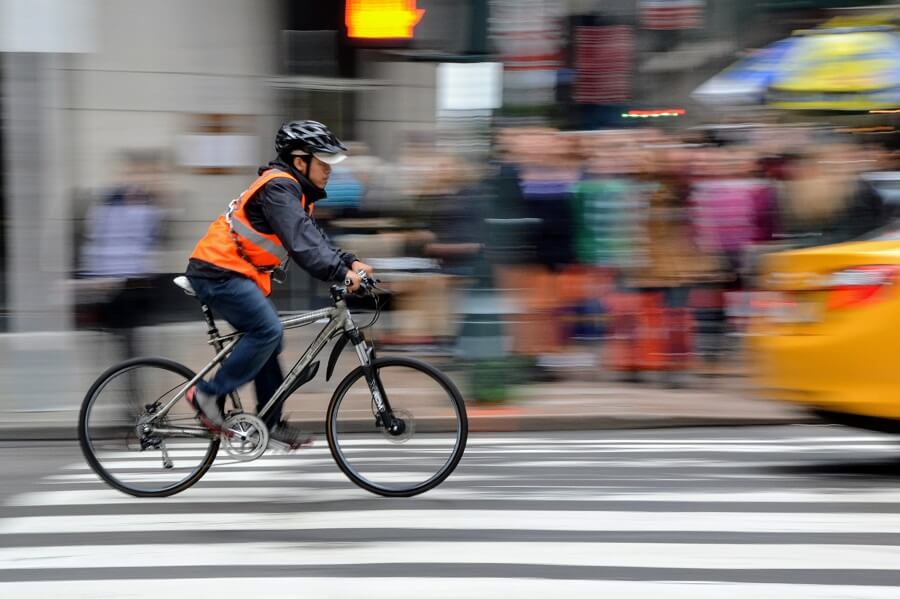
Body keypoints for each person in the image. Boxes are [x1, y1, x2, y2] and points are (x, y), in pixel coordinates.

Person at [185, 120, 373, 448]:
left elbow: (315, 240)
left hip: (233, 274)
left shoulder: (294, 194)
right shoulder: (278, 187)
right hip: (217, 272)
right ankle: (207, 395)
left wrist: (349, 260)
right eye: (324, 161)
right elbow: (302, 245)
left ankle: (268, 423)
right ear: (300, 161)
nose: (330, 170)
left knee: (270, 339)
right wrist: (340, 274)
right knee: (268, 331)